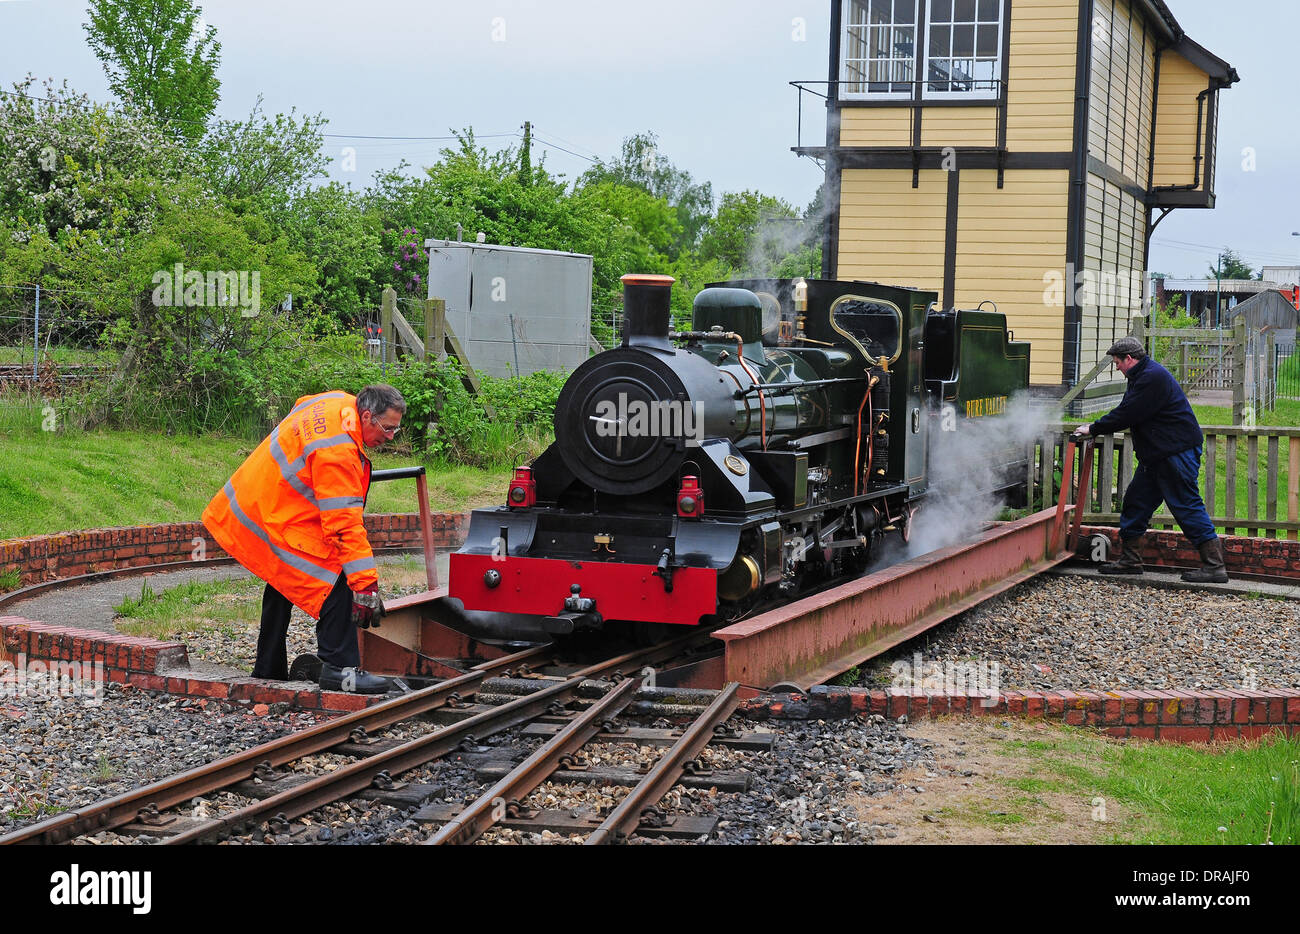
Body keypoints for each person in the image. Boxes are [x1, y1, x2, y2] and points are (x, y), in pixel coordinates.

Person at [202, 385, 407, 693]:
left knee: (284, 576)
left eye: (396, 428)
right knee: (337, 575)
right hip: (273, 516)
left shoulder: (337, 402)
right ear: (366, 415)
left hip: (261, 504)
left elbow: (300, 408)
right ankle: (340, 669)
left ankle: (267, 667)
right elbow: (344, 525)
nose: (391, 436)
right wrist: (364, 584)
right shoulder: (338, 452)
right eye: (388, 428)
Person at [1072, 337, 1227, 583]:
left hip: (1175, 452)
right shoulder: (1141, 377)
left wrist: (1093, 427)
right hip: (1158, 455)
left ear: (1129, 360)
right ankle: (1130, 561)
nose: (1117, 367)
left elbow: (1127, 414)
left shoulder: (1151, 378)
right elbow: (1129, 411)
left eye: (1117, 362)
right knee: (1136, 502)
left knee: (1185, 505)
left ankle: (1215, 567)